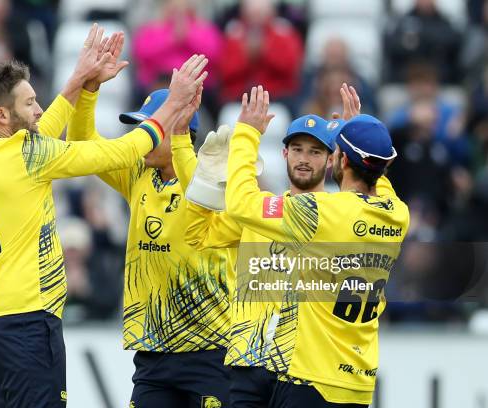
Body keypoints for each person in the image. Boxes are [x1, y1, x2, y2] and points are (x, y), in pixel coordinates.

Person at [0, 24, 206, 407]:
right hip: (28, 321)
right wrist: (173, 107)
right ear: (2, 115)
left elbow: (43, 132)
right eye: (29, 103)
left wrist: (80, 81)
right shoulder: (27, 155)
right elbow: (119, 152)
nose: (39, 109)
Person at [67, 34, 232, 406]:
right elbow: (83, 146)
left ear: (179, 130)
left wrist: (177, 130)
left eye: (149, 128)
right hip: (153, 352)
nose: (137, 137)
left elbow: (203, 196)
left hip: (211, 348)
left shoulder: (208, 175)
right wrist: (90, 90)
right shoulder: (138, 175)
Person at [220, 86, 409, 407]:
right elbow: (379, 179)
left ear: (343, 160)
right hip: (358, 382)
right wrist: (359, 130)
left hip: (312, 379)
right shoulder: (398, 214)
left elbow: (240, 204)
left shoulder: (322, 212)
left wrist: (246, 135)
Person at [179, 85, 362, 407]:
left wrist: (357, 148)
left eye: (315, 152)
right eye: (298, 150)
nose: (304, 160)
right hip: (249, 363)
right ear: (284, 154)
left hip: (304, 368)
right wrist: (205, 180)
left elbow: (370, 208)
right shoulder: (259, 211)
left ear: (332, 158)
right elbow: (197, 236)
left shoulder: (341, 215)